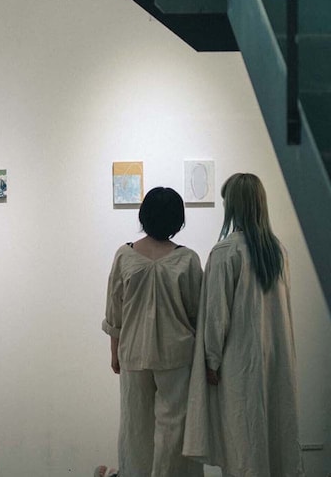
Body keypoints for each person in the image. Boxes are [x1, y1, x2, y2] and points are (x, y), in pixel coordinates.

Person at [183, 173, 303, 476]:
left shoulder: (226, 252)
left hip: (239, 363)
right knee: (275, 436)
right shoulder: (278, 251)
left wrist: (211, 360)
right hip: (277, 361)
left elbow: (216, 315)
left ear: (234, 205)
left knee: (243, 443)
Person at [100, 186, 205, 477]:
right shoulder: (187, 259)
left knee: (137, 429)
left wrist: (114, 352)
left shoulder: (125, 256)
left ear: (144, 216)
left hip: (135, 352)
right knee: (175, 431)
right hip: (176, 355)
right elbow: (197, 313)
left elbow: (115, 310)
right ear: (177, 220)